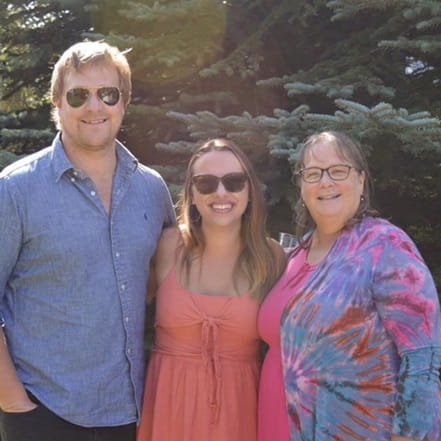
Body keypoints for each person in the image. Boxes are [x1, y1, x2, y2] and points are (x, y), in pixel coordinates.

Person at [0, 41, 175, 441]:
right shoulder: (15, 190)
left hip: (130, 414)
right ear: (57, 103)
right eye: (79, 95)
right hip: (43, 414)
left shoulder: (152, 190)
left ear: (124, 102)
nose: (94, 107)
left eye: (107, 94)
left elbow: (166, 281)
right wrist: (14, 403)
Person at [258, 130, 441, 441]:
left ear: (361, 180)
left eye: (338, 170)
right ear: (301, 187)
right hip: (277, 426)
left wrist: (409, 436)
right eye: (313, 173)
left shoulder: (385, 245)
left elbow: (425, 355)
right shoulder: (296, 253)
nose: (325, 182)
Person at [136, 138, 286, 441]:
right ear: (191, 191)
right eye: (206, 183)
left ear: (250, 190)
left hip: (241, 416)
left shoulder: (272, 259)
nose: (221, 193)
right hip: (168, 412)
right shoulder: (166, 247)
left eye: (234, 182)